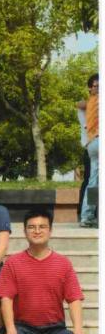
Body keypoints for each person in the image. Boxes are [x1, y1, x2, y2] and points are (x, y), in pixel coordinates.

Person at [76, 74, 98, 227]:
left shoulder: (87, 104)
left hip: (93, 144)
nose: (98, 88)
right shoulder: (87, 106)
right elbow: (86, 125)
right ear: (90, 88)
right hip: (92, 143)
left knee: (93, 182)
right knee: (91, 182)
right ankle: (86, 215)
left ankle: (88, 215)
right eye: (96, 86)